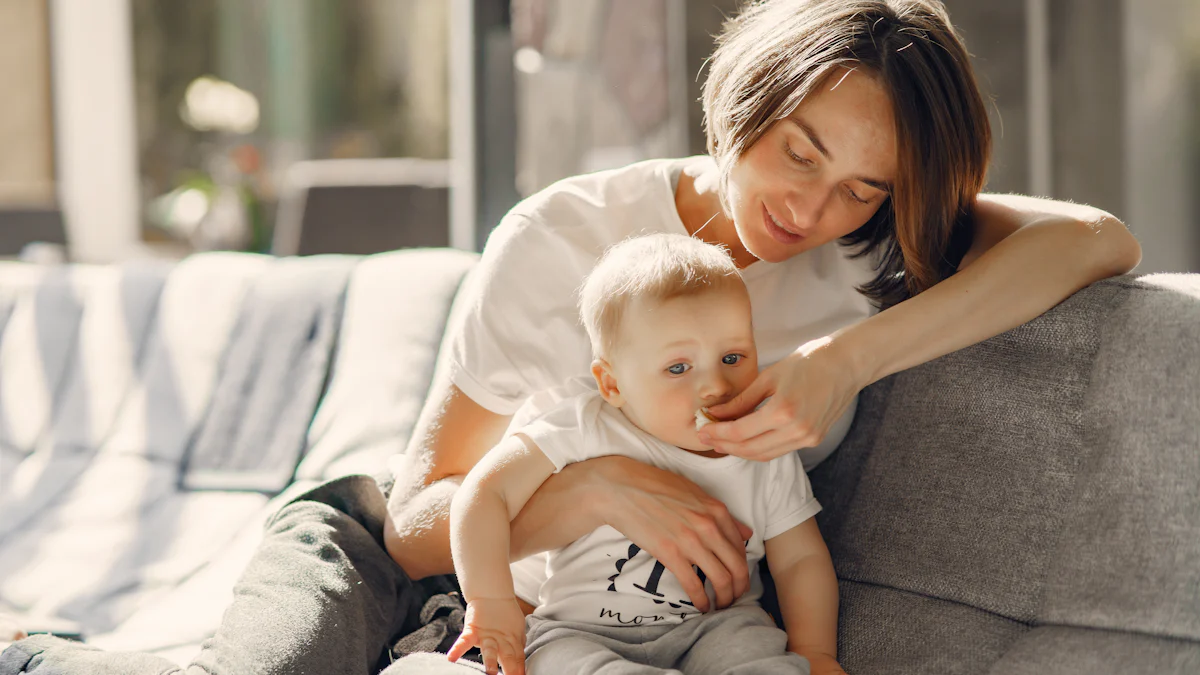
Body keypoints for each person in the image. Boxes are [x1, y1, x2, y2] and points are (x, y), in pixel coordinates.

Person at [0, 1, 1141, 674]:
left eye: (863, 188)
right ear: (747, 96)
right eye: (800, 150)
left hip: (619, 618)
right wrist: (600, 487)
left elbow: (1095, 239)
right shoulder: (566, 237)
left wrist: (844, 359)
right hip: (415, 548)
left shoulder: (870, 250)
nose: (815, 208)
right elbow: (414, 531)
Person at [447, 233, 840, 675]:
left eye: (733, 357)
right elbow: (483, 494)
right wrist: (491, 601)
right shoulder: (585, 426)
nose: (715, 385)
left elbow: (800, 559)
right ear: (612, 384)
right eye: (678, 368)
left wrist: (816, 652)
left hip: (717, 628)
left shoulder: (764, 445)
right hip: (579, 632)